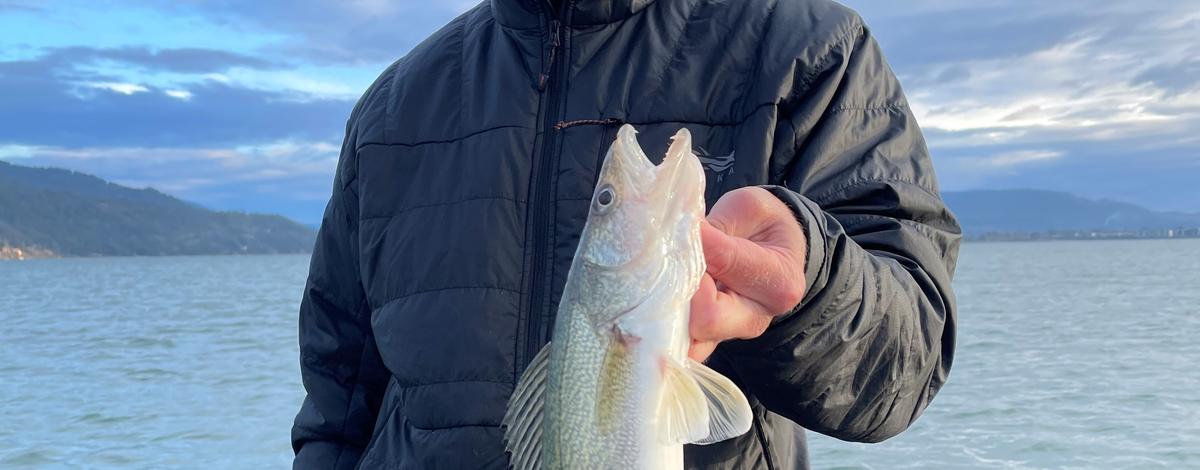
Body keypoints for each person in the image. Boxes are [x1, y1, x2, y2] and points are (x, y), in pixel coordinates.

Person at [291, 0, 960, 468]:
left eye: (604, 200)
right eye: (609, 199)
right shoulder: (393, 108)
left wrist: (813, 286)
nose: (613, 191)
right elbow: (337, 406)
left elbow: (907, 363)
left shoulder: (807, 52)